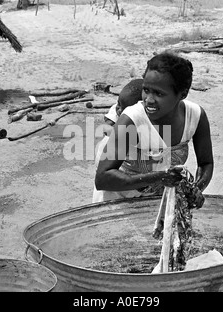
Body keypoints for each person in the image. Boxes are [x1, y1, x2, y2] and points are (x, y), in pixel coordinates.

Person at [93, 52, 214, 208]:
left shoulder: (195, 116)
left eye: (159, 93)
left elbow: (206, 163)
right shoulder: (132, 120)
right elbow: (103, 179)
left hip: (160, 200)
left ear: (182, 94)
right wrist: (159, 177)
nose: (148, 99)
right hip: (119, 201)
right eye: (146, 90)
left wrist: (196, 189)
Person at [92, 79, 143, 201]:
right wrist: (119, 132)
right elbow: (106, 127)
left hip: (130, 170)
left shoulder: (136, 115)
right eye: (118, 104)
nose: (118, 109)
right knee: (108, 200)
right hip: (113, 166)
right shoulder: (120, 110)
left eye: (123, 108)